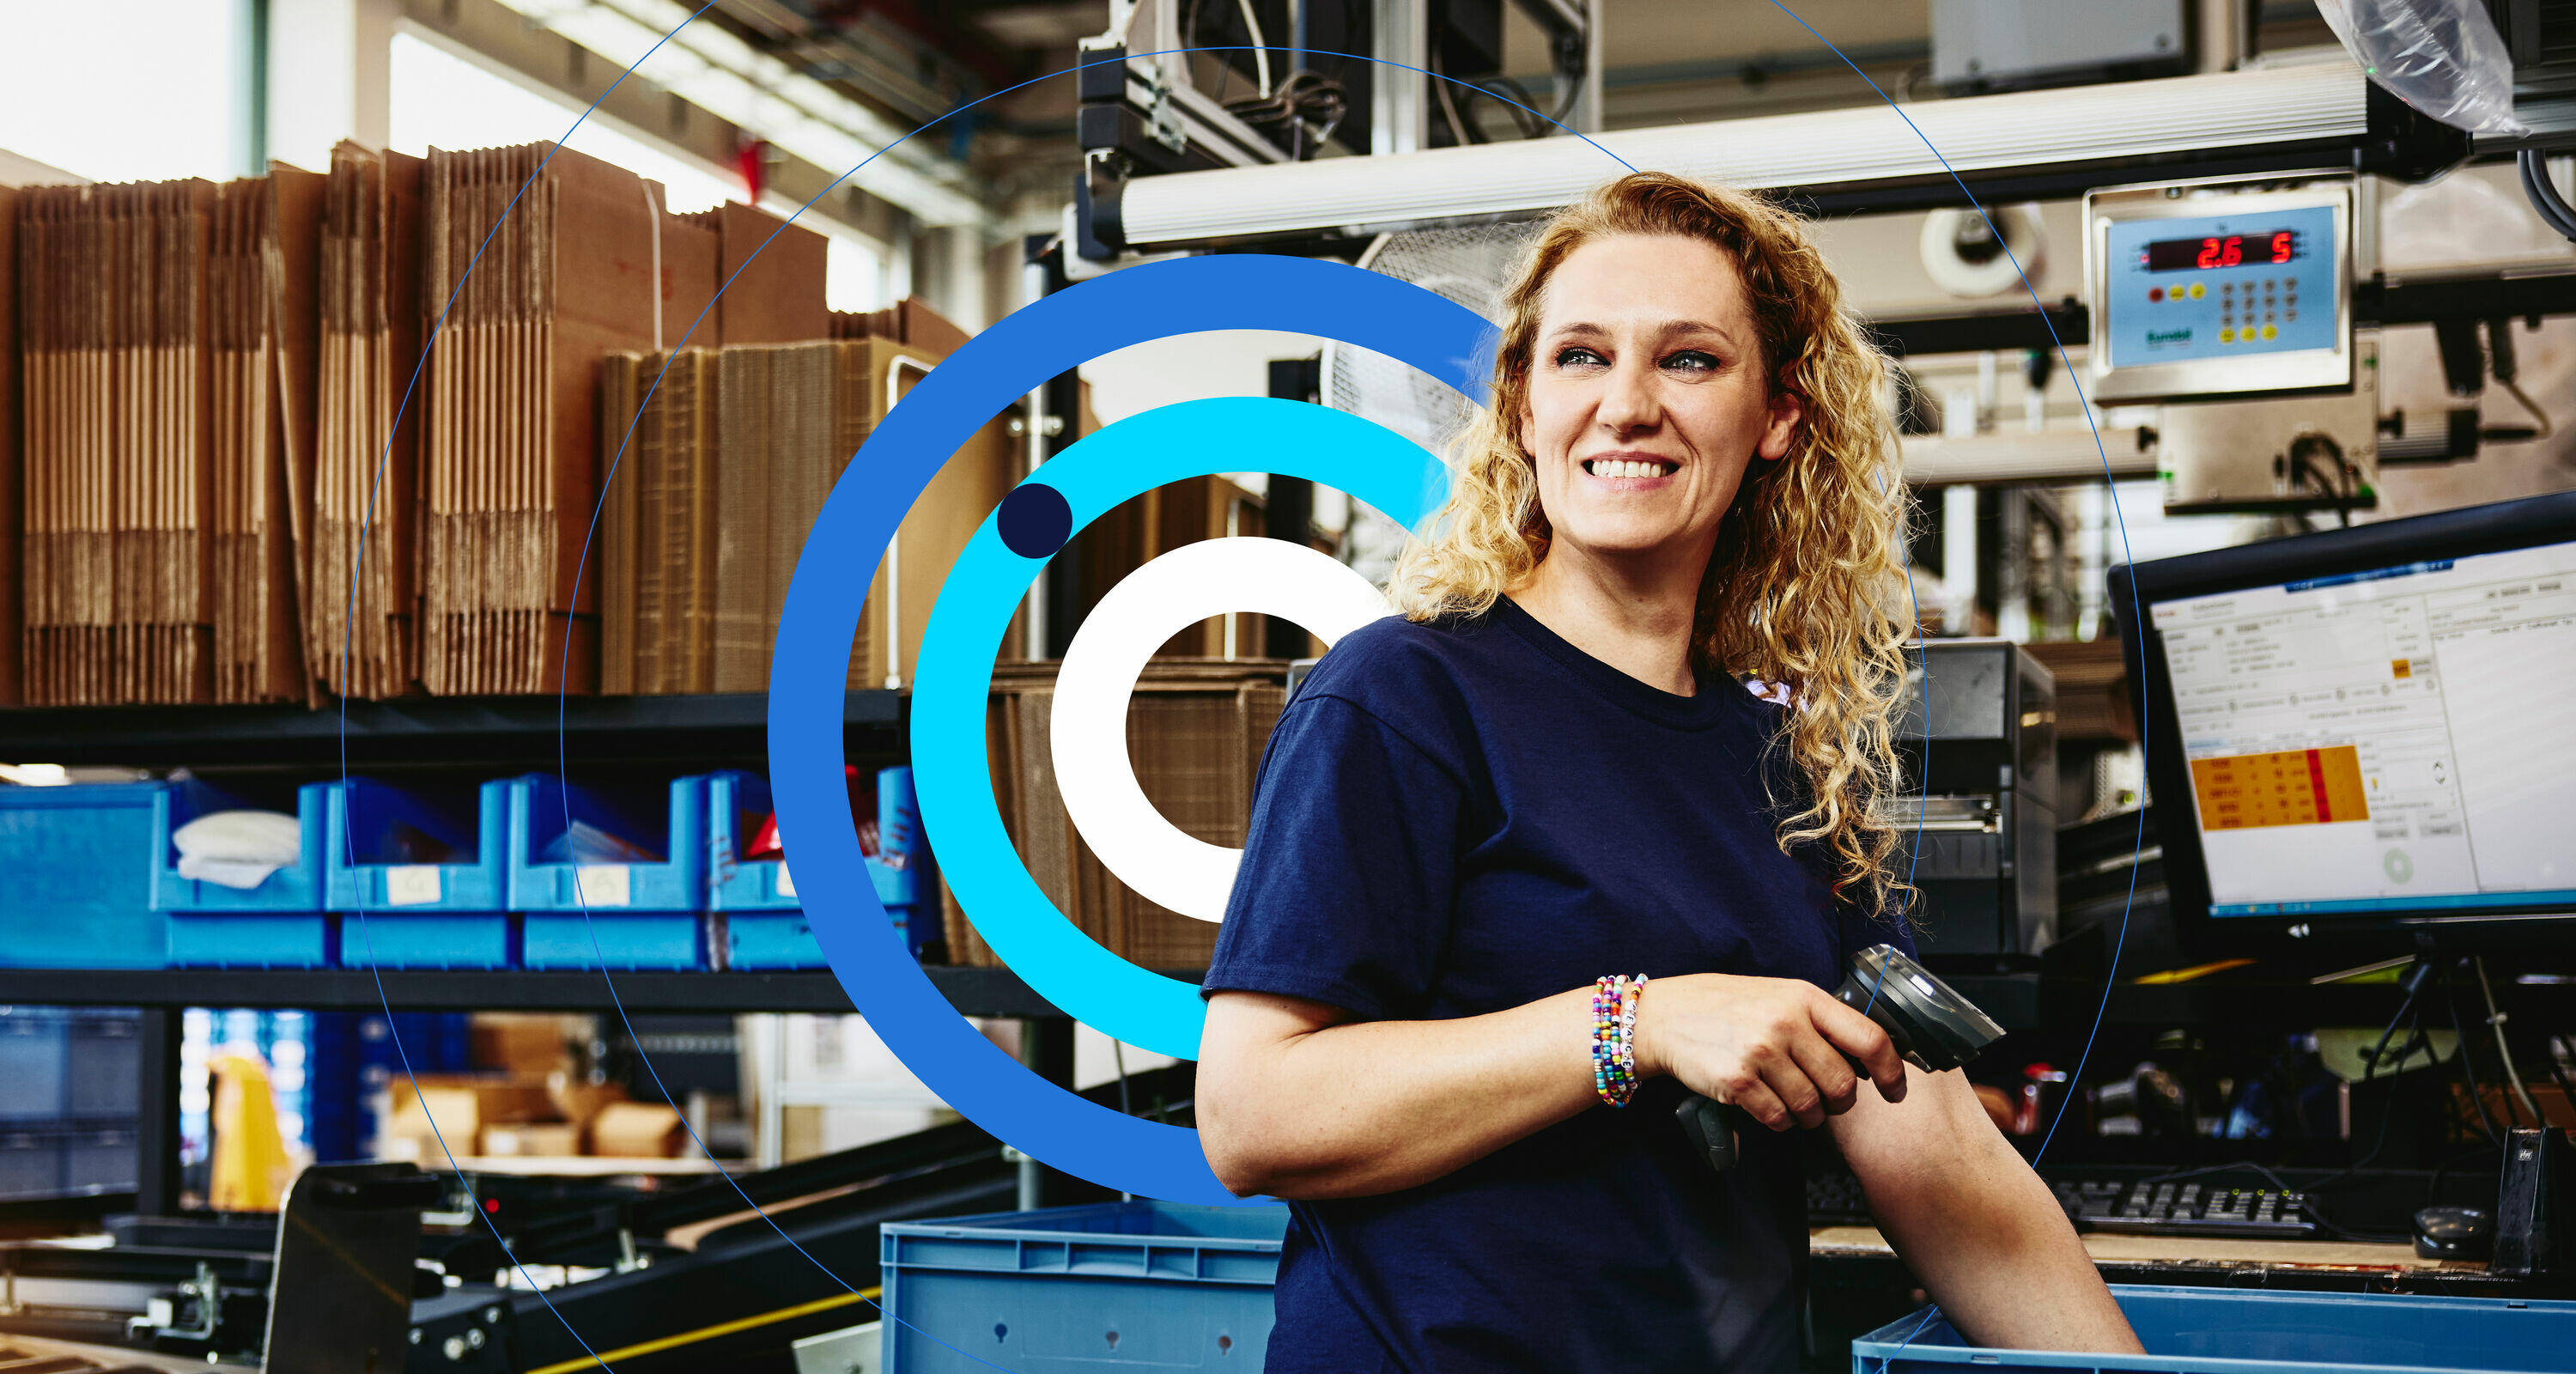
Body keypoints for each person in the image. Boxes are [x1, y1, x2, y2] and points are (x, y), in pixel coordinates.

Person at [1194, 172, 2143, 1373]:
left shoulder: (1793, 759)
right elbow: (1253, 1115)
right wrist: (1635, 1024)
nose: (1627, 405)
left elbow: (1941, 1160)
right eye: (1580, 357)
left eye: (1689, 360)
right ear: (1523, 408)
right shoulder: (1402, 698)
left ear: (1779, 416)